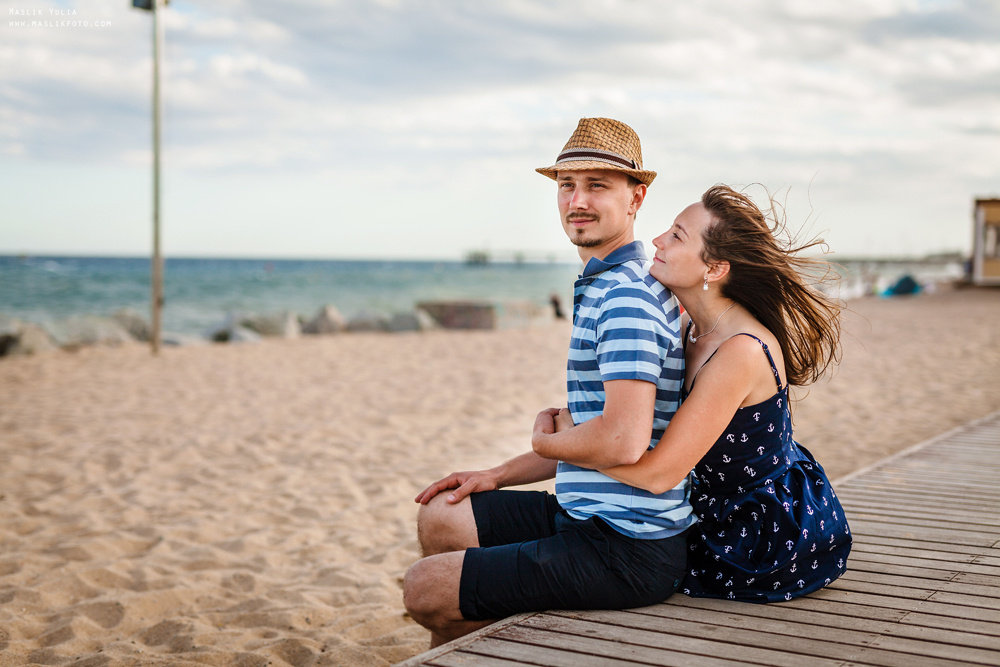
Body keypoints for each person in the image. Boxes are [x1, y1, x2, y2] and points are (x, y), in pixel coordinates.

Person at [403, 118, 694, 647]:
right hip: (587, 512)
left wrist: (543, 442)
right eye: (567, 185)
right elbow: (596, 427)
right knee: (442, 515)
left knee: (426, 588)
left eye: (597, 185)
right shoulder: (605, 283)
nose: (576, 200)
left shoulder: (625, 297)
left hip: (627, 542)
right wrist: (498, 473)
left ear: (636, 198)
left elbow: (620, 440)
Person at [550, 184, 852, 602]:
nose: (656, 240)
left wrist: (564, 441)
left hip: (759, 532)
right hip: (706, 507)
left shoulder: (740, 351)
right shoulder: (691, 326)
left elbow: (658, 475)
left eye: (676, 235)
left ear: (714, 269)